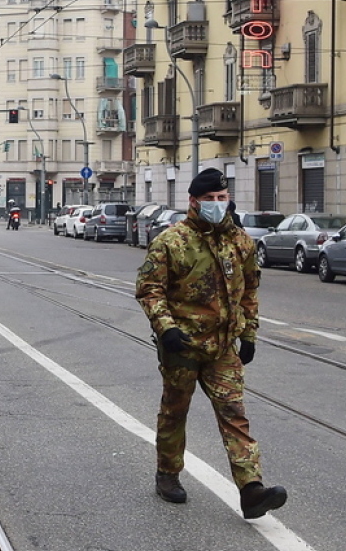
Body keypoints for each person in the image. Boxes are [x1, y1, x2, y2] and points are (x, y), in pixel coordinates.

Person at [136, 168, 287, 519]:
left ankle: (251, 489)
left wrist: (248, 334)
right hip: (183, 345)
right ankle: (168, 474)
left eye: (222, 198)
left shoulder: (239, 241)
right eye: (209, 199)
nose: (217, 204)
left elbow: (249, 290)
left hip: (222, 347)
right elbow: (150, 289)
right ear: (193, 201)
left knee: (234, 413)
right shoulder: (172, 241)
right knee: (175, 411)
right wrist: (166, 328)